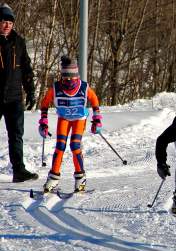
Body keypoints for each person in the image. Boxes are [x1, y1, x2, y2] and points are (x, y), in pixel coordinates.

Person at [39, 56, 102, 193]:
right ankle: (53, 178)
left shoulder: (84, 87)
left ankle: (80, 177)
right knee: (60, 146)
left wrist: (97, 119)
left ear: (77, 76)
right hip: (64, 119)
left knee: (74, 145)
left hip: (79, 119)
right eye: (66, 77)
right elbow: (44, 103)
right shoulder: (56, 88)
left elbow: (94, 100)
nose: (69, 80)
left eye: (72, 77)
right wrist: (43, 121)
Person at [0, 3, 38, 182]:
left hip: (14, 97)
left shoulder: (19, 42)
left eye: (9, 21)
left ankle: (19, 170)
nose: (7, 24)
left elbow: (26, 69)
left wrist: (30, 91)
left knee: (16, 135)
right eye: (3, 21)